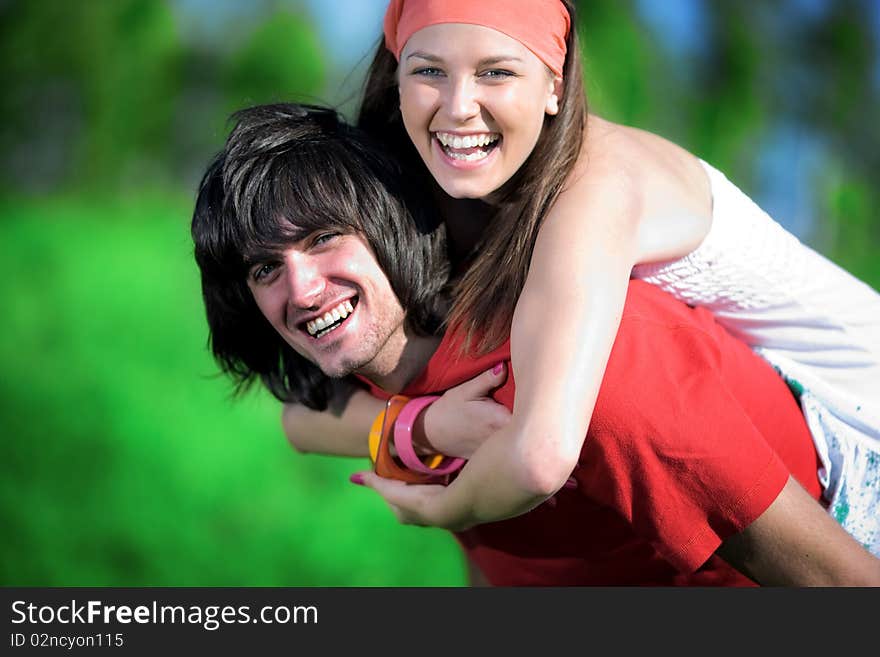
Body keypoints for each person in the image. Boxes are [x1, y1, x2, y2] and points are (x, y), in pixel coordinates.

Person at [191, 102, 880, 586]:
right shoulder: (378, 370)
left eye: (321, 238)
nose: (303, 290)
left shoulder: (598, 366)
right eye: (264, 268)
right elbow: (302, 421)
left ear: (390, 222)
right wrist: (413, 430)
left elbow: (840, 580)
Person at [282, 0, 880, 551]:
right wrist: (421, 425)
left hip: (857, 424)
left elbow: (540, 456)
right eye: (429, 71)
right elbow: (301, 416)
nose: (459, 104)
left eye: (497, 72)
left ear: (555, 86)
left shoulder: (591, 192)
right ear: (397, 78)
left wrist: (444, 508)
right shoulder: (449, 191)